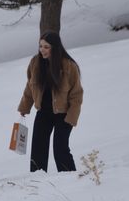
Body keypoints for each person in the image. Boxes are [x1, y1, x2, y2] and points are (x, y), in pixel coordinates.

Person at [18, 31, 83, 172]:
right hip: (43, 112)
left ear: (55, 47)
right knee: (38, 149)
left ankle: (70, 178)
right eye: (40, 46)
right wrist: (24, 107)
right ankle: (37, 179)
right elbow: (30, 87)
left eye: (46, 47)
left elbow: (76, 95)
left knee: (60, 149)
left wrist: (71, 117)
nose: (42, 50)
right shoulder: (35, 62)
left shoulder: (69, 66)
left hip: (64, 114)